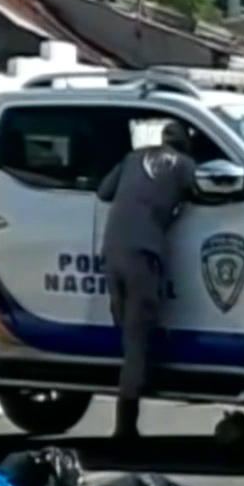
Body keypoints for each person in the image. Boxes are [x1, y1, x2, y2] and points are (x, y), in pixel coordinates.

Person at [95, 121, 203, 439]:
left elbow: (104, 191)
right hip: (143, 253)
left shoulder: (134, 158)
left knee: (125, 329)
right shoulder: (184, 166)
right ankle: (125, 426)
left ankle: (131, 390)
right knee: (137, 339)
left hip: (112, 248)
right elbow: (202, 195)